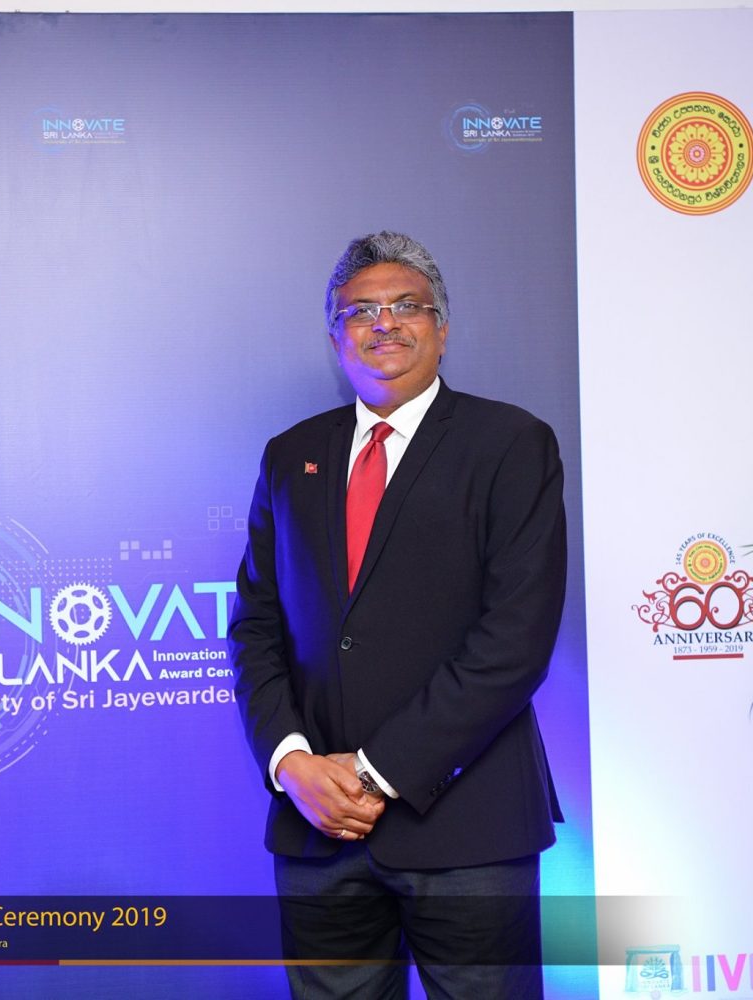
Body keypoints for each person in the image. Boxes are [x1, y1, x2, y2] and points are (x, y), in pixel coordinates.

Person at [229, 231, 568, 999]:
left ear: (441, 328)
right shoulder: (290, 455)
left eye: (406, 305)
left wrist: (375, 772)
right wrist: (292, 764)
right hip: (318, 831)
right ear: (335, 337)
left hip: (469, 826)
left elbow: (515, 641)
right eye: (360, 311)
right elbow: (255, 626)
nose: (383, 322)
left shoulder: (511, 444)